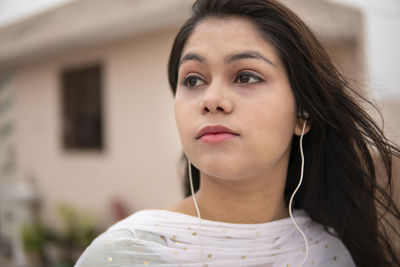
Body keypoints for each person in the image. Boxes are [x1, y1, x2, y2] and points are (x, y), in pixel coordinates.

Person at [75, 0, 400, 266]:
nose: (211, 100)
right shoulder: (124, 254)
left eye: (245, 76)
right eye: (192, 80)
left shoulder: (332, 252)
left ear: (303, 114)